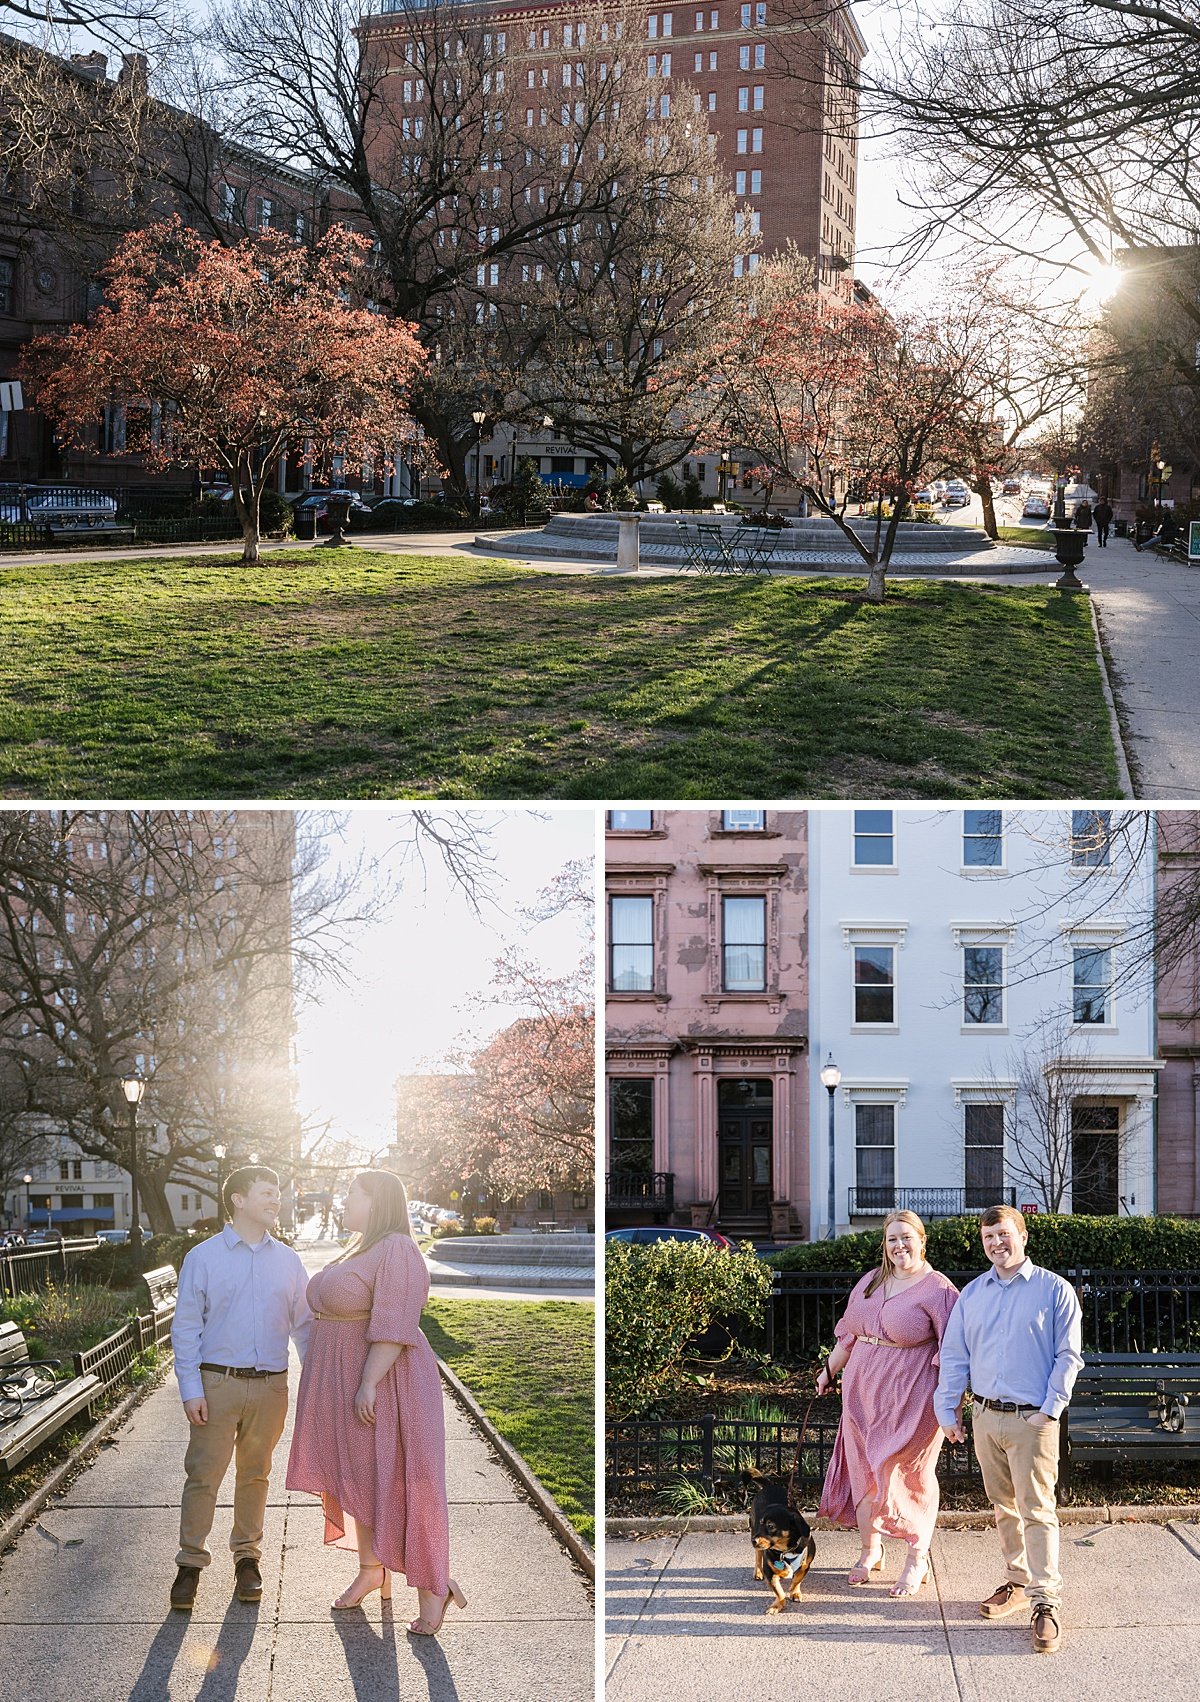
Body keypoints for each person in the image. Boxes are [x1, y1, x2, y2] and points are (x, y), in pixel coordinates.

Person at [287, 1169, 465, 1636]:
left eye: (352, 1194)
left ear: (378, 1201)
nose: (343, 1201)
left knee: (406, 1481)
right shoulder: (360, 1246)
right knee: (359, 1479)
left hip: (387, 1385)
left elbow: (395, 1323)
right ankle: (371, 1569)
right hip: (344, 1383)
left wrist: (367, 1383)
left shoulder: (398, 1249)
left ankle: (434, 1587)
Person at [934, 1204, 1083, 1656]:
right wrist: (949, 1410)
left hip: (1031, 1420)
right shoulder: (973, 1294)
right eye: (988, 1238)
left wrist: (1049, 1411)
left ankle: (1046, 1603)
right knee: (1004, 1507)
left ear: (1023, 1236)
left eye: (1004, 1234)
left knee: (1037, 1510)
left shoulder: (1054, 1290)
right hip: (986, 1417)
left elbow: (1068, 1355)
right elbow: (955, 1355)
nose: (997, 1243)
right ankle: (1018, 1584)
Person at [170, 1165, 312, 1611]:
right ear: (238, 1200)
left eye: (277, 1193)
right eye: (267, 1193)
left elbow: (305, 1328)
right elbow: (187, 1327)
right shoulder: (204, 1257)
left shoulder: (288, 1261)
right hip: (217, 1384)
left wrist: (316, 1382)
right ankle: (190, 1565)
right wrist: (191, 1388)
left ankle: (247, 1559)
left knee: (256, 1474)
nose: (276, 1200)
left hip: (271, 1386)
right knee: (204, 1475)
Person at [815, 1211, 959, 1597]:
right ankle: (870, 1549)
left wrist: (951, 1405)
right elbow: (848, 1337)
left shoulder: (938, 1290)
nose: (899, 1246)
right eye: (892, 1239)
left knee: (911, 1474)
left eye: (906, 1237)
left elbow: (954, 1351)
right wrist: (827, 1372)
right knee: (863, 1470)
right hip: (861, 1397)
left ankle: (917, 1556)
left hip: (913, 1400)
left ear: (922, 1240)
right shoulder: (871, 1281)